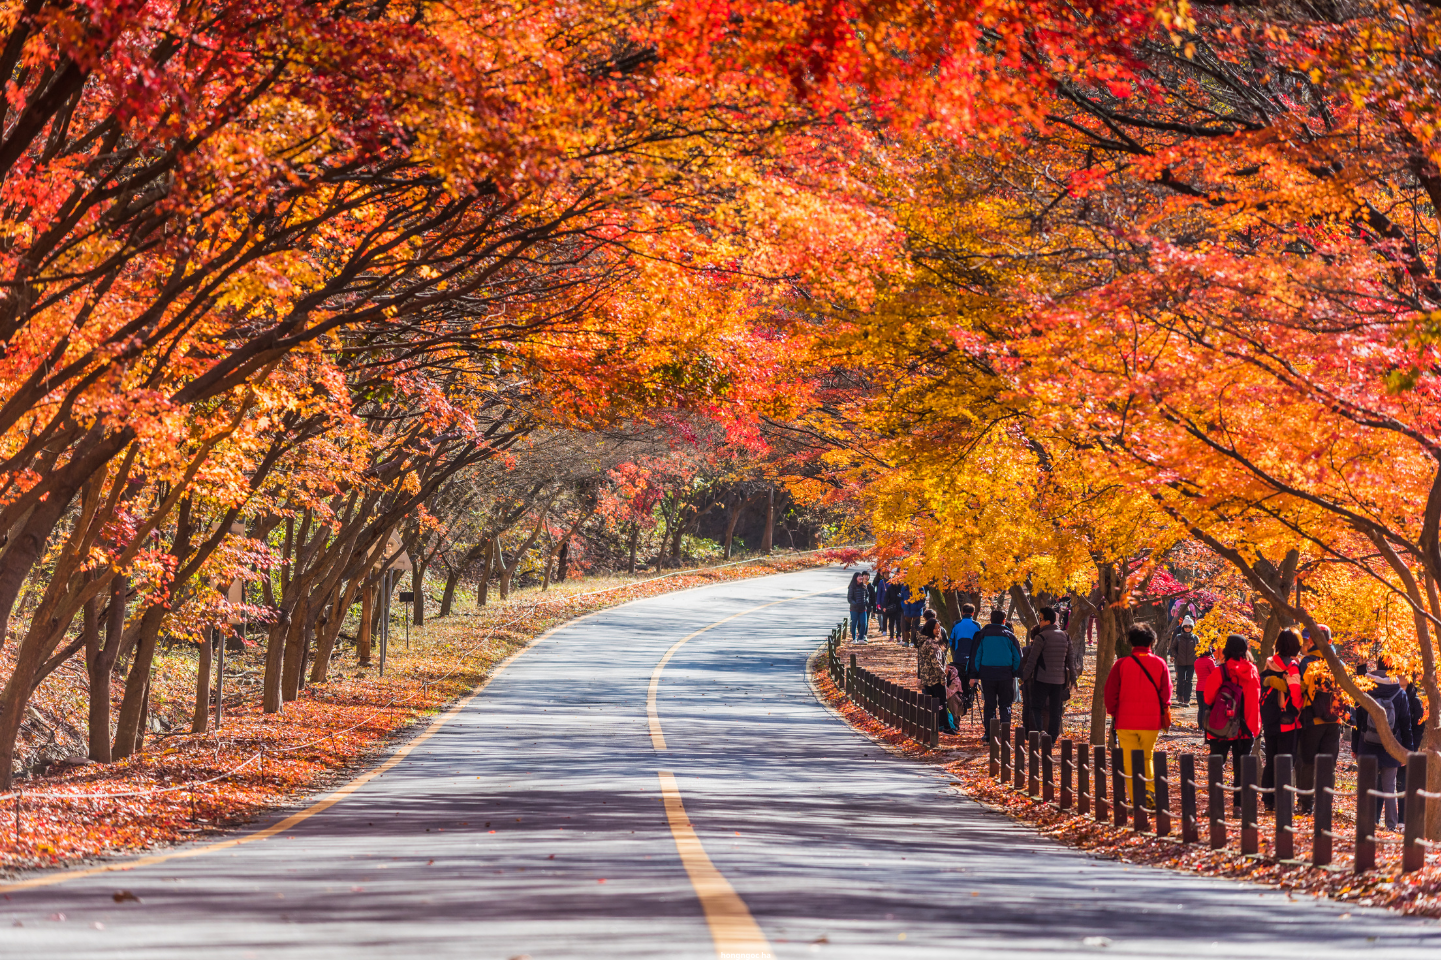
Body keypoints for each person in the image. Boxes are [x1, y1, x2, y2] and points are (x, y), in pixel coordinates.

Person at [1103, 623, 1172, 806]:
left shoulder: (1121, 664)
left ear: (1131, 642)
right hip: (1151, 721)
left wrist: (1113, 712)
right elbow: (1166, 694)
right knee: (1147, 756)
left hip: (1125, 721)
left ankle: (1137, 800)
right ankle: (1149, 792)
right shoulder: (1160, 663)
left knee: (1130, 761)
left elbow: (1110, 693)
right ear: (1151, 642)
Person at [1201, 634, 1262, 812]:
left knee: (1216, 766)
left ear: (1227, 650)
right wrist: (1253, 728)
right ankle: (1239, 806)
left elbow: (1208, 697)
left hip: (1221, 727)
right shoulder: (1252, 671)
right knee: (1242, 768)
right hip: (1245, 729)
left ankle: (1215, 805)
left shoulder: (1220, 672)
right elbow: (1254, 701)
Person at [1352, 656, 1414, 831]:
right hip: (1391, 746)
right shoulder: (1400, 693)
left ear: (1377, 666)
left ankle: (1366, 822)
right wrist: (1406, 752)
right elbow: (1406, 725)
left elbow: (1358, 721)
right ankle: (1391, 826)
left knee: (1366, 786)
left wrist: (1355, 747)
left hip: (1367, 744)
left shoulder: (1366, 689)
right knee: (1389, 788)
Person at [1297, 624, 1347, 814]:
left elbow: (1300, 690)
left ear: (1311, 640)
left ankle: (1306, 803)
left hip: (1312, 720)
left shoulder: (1306, 663)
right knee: (1328, 764)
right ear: (1330, 641)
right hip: (1334, 721)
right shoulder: (1338, 664)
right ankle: (1325, 803)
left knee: (1307, 762)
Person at [1259, 628, 1304, 812]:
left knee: (1271, 760)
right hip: (1288, 721)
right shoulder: (1293, 667)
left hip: (1269, 720)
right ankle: (1283, 800)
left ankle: (1268, 799)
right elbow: (1295, 696)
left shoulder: (1269, 663)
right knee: (1285, 761)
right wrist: (1301, 709)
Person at [1021, 606, 1073, 740]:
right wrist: (1073, 678)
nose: (1040, 622)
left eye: (1041, 619)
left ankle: (1041, 732)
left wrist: (1024, 677)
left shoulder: (1041, 637)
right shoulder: (1065, 636)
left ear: (1048, 621)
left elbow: (1032, 660)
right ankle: (1052, 738)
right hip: (1059, 681)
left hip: (1042, 679)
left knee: (1036, 707)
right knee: (1056, 711)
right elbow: (1070, 660)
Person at [972, 609, 1022, 735]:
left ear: (990, 619)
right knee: (1005, 705)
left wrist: (975, 674)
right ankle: (1005, 732)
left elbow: (976, 656)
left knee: (989, 705)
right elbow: (1017, 657)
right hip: (1005, 675)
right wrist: (1014, 672)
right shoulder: (1010, 636)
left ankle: (989, 733)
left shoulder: (982, 635)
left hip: (987, 675)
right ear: (1004, 621)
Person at [1171, 617, 1198, 706]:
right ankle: (1180, 696)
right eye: (1185, 626)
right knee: (1180, 680)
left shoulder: (1195, 638)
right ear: (1182, 627)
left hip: (1191, 663)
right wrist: (1176, 656)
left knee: (1189, 681)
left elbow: (1199, 649)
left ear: (1192, 627)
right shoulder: (1178, 637)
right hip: (1180, 662)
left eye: (1189, 626)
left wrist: (1196, 657)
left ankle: (1187, 698)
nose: (1187, 628)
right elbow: (1173, 648)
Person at [949, 603, 982, 674]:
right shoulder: (977, 625)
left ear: (962, 612)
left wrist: (956, 650)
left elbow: (951, 640)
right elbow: (980, 642)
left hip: (959, 656)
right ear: (973, 613)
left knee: (959, 680)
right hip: (973, 657)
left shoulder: (956, 624)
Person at [1193, 641, 1219, 731]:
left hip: (1199, 687)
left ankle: (1200, 725)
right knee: (1206, 708)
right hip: (1207, 688)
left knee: (1201, 708)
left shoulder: (1197, 661)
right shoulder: (1209, 661)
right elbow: (1214, 673)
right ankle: (1205, 726)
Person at [847, 571, 873, 643]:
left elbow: (867, 595)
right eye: (859, 576)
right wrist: (855, 603)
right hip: (854, 609)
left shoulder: (864, 586)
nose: (861, 577)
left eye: (861, 576)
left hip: (863, 608)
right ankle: (854, 639)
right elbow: (849, 598)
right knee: (854, 623)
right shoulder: (852, 586)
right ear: (856, 578)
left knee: (864, 623)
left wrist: (866, 601)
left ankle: (861, 638)